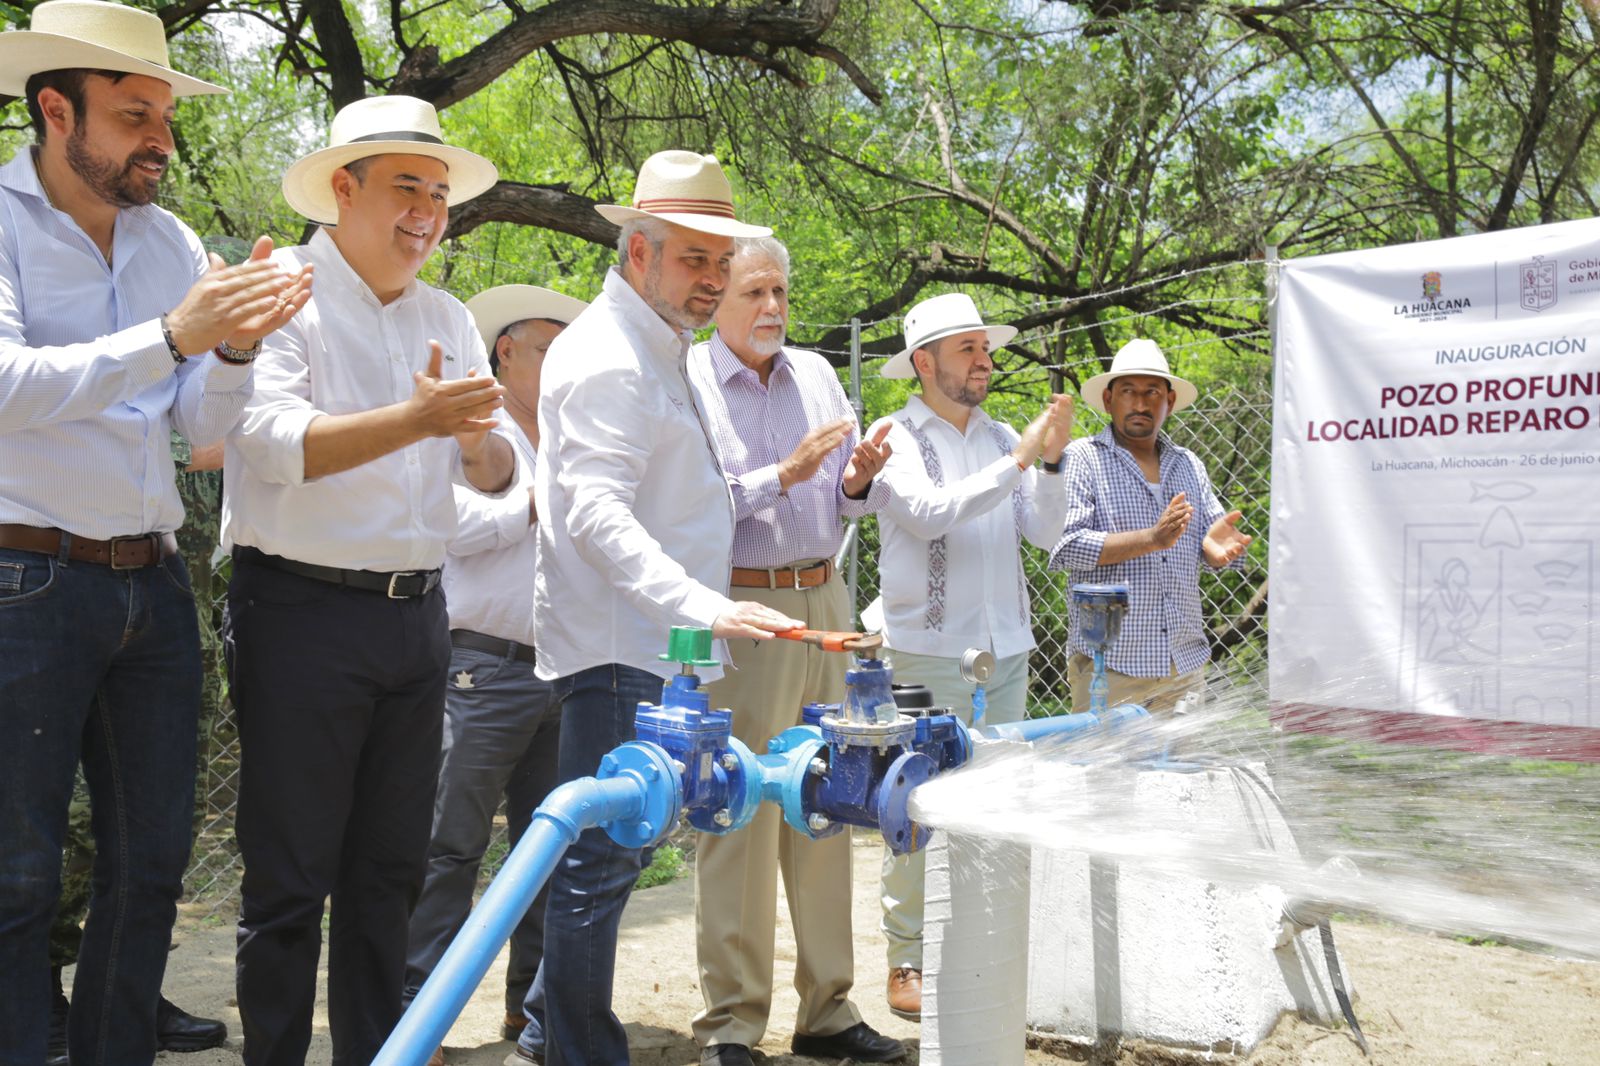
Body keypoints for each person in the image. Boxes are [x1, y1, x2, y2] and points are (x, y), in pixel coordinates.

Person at [0, 1, 311, 1062]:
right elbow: (5, 389)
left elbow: (199, 432)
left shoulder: (170, 238)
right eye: (136, 115)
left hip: (155, 582)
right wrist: (178, 332)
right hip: (22, 576)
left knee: (150, 871)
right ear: (54, 108)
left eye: (166, 117)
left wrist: (232, 353)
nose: (161, 143)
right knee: (15, 873)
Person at [221, 95, 510, 1066]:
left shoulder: (449, 316)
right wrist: (420, 421)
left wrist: (475, 442)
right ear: (342, 188)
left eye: (437, 193)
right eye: (405, 189)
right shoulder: (283, 287)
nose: (428, 213)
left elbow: (499, 469)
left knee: (388, 874)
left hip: (417, 622)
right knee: (290, 882)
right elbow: (264, 446)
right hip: (297, 612)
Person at [513, 150, 803, 1066]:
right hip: (619, 645)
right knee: (600, 861)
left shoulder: (655, 347)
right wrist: (701, 605)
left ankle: (549, 1028)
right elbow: (595, 515)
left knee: (619, 852)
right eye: (694, 260)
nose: (713, 281)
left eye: (722, 264)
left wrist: (694, 619)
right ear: (637, 250)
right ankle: (573, 1047)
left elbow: (676, 501)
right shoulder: (607, 357)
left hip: (659, 641)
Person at [686, 237, 903, 1066]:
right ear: (717, 296)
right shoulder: (694, 379)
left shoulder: (813, 372)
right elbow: (695, 505)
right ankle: (733, 1025)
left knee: (830, 800)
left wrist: (853, 480)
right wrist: (785, 471)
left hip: (827, 598)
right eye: (755, 292)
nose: (773, 307)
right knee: (738, 807)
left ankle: (828, 1013)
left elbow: (846, 503)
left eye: (782, 289)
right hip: (744, 604)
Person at [867, 292, 1073, 1020]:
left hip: (1006, 647)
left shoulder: (1001, 435)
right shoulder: (891, 433)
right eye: (969, 350)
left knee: (996, 797)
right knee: (918, 801)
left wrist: (1047, 466)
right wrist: (1022, 457)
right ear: (924, 362)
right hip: (924, 650)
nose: (986, 361)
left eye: (987, 349)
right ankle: (908, 957)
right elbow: (926, 514)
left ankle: (983, 944)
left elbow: (1046, 535)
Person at [402, 285, 588, 1065]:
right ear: (504, 349)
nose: (561, 363)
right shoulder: (465, 426)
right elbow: (449, 525)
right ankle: (417, 1014)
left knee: (548, 849)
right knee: (449, 847)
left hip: (560, 666)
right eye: (548, 347)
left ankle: (527, 1013)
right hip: (480, 663)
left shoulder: (573, 435)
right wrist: (532, 509)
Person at [1049, 339, 1250, 712]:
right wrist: (1152, 539)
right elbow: (1065, 547)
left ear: (1169, 402)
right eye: (1128, 392)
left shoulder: (1189, 464)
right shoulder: (1082, 458)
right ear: (1109, 400)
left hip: (1184, 665)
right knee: (1108, 773)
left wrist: (1215, 550)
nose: (1140, 404)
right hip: (1111, 671)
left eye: (1152, 393)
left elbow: (1211, 540)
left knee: (1183, 771)